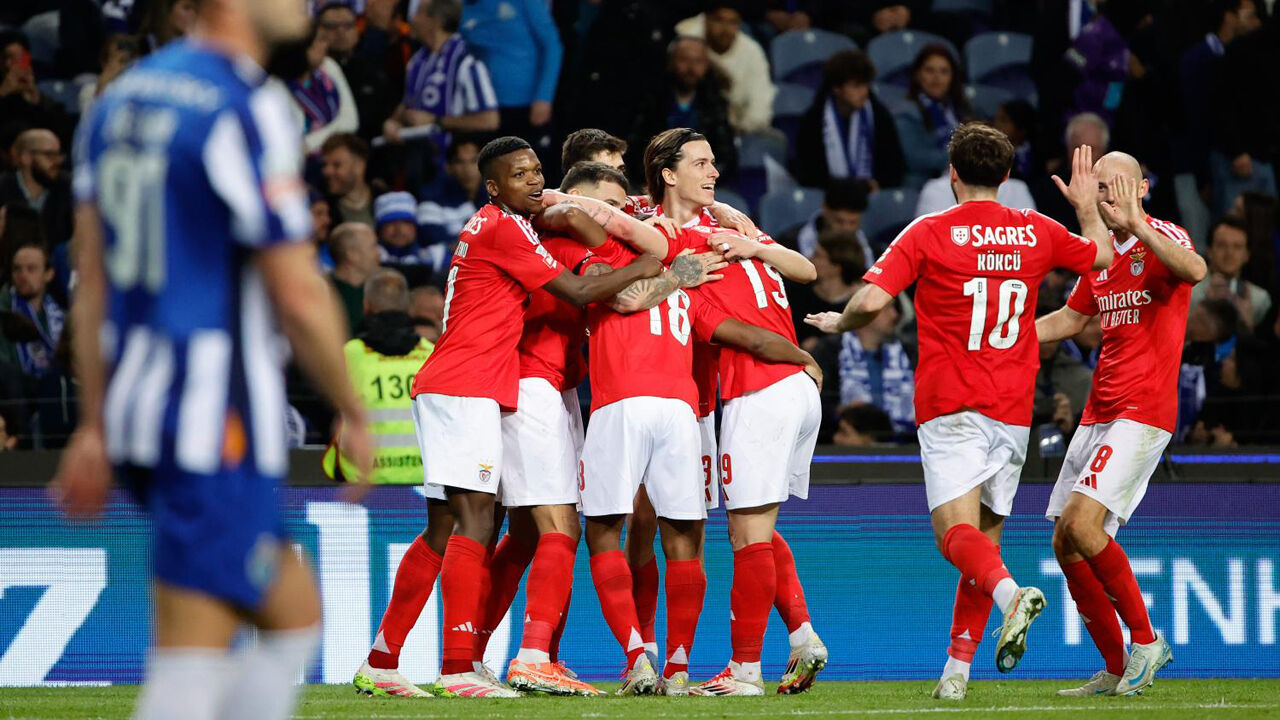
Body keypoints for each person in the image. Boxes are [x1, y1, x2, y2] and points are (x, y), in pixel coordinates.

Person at [53, 1, 374, 719]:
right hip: (212, 416)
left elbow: (92, 279)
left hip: (144, 405)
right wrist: (352, 408)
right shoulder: (245, 101)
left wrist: (96, 423)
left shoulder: (121, 100)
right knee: (190, 661)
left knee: (292, 614)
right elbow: (295, 287)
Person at [805, 124, 1114, 700]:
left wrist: (838, 321)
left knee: (954, 535)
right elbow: (1097, 254)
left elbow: (872, 300)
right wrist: (1087, 207)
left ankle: (1012, 597)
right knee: (985, 543)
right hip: (1015, 409)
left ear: (952, 174)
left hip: (952, 405)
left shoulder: (929, 230)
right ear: (1005, 177)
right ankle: (956, 673)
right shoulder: (1036, 228)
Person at [408, 136, 660, 697]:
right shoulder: (552, 231)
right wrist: (650, 258)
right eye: (608, 200)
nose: (616, 214)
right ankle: (522, 656)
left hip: (536, 385)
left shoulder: (525, 229)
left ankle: (468, 657)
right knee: (551, 525)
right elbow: (614, 293)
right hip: (522, 383)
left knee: (513, 530)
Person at [626, 127, 826, 696]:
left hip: (754, 390)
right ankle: (801, 635)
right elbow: (806, 272)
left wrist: (795, 351)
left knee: (746, 536)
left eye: (715, 163)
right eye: (702, 164)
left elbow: (718, 323)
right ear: (669, 173)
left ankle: (743, 671)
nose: (714, 173)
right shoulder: (733, 229)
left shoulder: (693, 246)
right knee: (755, 525)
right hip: (785, 393)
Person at [1035, 151, 1206, 696]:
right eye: (1099, 190)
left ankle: (1147, 639)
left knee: (1084, 527)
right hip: (1098, 412)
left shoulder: (1165, 236)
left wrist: (1138, 225)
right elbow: (1070, 318)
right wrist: (1000, 336)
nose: (1106, 198)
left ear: (1143, 188)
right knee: (1065, 540)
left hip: (1143, 411)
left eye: (1116, 188)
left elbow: (1195, 271)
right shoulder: (1100, 256)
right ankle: (1113, 666)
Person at [325, 268, 433, 486]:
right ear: (407, 308)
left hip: (363, 477)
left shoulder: (348, 354)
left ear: (366, 306)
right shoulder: (431, 354)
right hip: (425, 477)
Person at [382, 0, 499, 152]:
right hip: (417, 160)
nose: (412, 20)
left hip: (453, 162)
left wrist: (436, 121)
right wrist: (392, 122)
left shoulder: (466, 60)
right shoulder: (417, 61)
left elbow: (489, 120)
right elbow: (408, 104)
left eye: (418, 13)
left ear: (435, 21)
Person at [459, 0, 562, 157]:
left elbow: (552, 45)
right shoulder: (460, 7)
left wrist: (544, 97)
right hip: (482, 107)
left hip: (526, 106)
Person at [628, 38, 738, 184]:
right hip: (656, 181)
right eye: (684, 59)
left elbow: (725, 154)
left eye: (698, 61)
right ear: (671, 62)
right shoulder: (651, 100)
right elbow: (636, 148)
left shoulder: (715, 103)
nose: (691, 67)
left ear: (707, 65)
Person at [794, 50, 905, 190]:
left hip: (873, 196)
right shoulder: (813, 119)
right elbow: (807, 173)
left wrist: (879, 184)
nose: (864, 92)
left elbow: (894, 165)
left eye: (866, 85)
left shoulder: (879, 115)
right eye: (856, 86)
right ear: (836, 88)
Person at [675, 2, 776, 134]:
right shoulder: (686, 39)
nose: (725, 29)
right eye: (719, 20)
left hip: (738, 129)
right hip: (691, 124)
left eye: (733, 22)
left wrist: (741, 128)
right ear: (706, 19)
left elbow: (761, 105)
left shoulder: (752, 51)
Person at [837, 290, 913, 434]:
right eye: (887, 308)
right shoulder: (831, 350)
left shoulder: (910, 351)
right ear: (864, 313)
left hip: (906, 443)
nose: (895, 315)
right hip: (844, 447)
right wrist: (840, 412)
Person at [898, 44, 971, 180]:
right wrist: (961, 157)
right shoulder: (906, 113)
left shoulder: (961, 110)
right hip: (924, 185)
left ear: (952, 77)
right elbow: (914, 159)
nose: (936, 77)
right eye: (929, 70)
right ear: (917, 75)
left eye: (944, 71)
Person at [286, 21, 358, 155]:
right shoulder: (278, 84)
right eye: (318, 42)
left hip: (334, 155)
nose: (325, 46)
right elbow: (292, 145)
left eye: (324, 41)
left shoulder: (329, 66)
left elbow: (350, 122)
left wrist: (310, 143)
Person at [1191, 216, 1273, 329]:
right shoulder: (1189, 293)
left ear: (1247, 255)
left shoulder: (1260, 300)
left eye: (1237, 247)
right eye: (1221, 245)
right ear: (1209, 251)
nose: (1229, 253)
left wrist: (1249, 325)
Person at [0, 128, 72, 249]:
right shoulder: (3, 188)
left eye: (58, 154)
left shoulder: (68, 188)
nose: (57, 161)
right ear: (26, 157)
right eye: (49, 155)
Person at [0, 243, 63, 379]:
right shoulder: (4, 313)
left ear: (49, 274)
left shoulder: (61, 316)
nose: (23, 275)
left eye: (31, 269)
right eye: (17, 269)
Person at [778, 178, 875, 266]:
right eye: (839, 221)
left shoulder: (875, 252)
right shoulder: (788, 247)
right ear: (825, 209)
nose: (846, 229)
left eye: (853, 223)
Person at [418, 136, 481, 268]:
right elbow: (432, 239)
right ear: (448, 167)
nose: (467, 169)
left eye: (473, 161)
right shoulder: (432, 196)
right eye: (460, 162)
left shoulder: (497, 196)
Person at [329, 222, 381, 333]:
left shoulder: (380, 291)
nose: (379, 253)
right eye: (373, 246)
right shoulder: (323, 294)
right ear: (352, 255)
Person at [321, 132, 374, 226]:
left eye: (337, 165)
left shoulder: (385, 199)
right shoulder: (323, 209)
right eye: (325, 165)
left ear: (359, 166)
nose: (327, 171)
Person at [373, 191, 432, 267]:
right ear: (379, 229)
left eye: (405, 223)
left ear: (415, 227)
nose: (399, 229)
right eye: (391, 223)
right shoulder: (368, 260)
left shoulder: (434, 259)